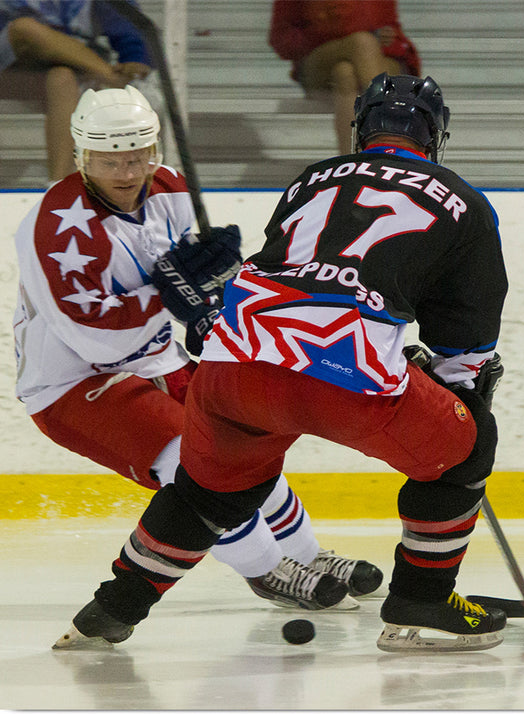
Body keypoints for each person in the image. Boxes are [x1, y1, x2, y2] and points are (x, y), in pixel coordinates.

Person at [53, 73, 509, 653]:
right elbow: (464, 329)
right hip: (343, 376)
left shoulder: (312, 179)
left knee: (206, 493)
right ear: (436, 137)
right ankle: (424, 601)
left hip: (232, 364)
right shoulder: (463, 199)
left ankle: (107, 613)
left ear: (359, 129)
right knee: (465, 451)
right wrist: (459, 388)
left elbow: (296, 271)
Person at [12, 83, 384, 617]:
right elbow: (93, 337)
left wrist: (214, 277)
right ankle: (267, 571)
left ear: (154, 149)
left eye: (135, 154)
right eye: (107, 158)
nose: (125, 170)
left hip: (161, 362)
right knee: (194, 462)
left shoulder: (168, 189)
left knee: (250, 450)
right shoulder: (56, 227)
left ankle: (310, 556)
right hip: (76, 383)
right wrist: (168, 293)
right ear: (80, 154)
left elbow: (187, 282)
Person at [0, 0, 155, 182]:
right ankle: (114, 79)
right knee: (25, 29)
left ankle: (57, 185)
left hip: (68, 68)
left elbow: (125, 19)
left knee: (62, 78)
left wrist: (134, 58)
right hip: (9, 68)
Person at [268, 0, 421, 153]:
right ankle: (392, 145)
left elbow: (391, 28)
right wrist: (329, 32)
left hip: (375, 57)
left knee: (344, 73)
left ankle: (353, 164)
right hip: (319, 61)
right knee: (362, 42)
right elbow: (281, 38)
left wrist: (386, 37)